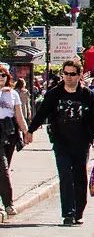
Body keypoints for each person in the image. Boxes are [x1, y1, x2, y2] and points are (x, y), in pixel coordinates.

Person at [27, 58, 94, 227]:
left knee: (79, 176)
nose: (68, 77)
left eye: (72, 74)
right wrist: (30, 130)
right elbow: (42, 112)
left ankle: (78, 212)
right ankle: (68, 213)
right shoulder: (55, 93)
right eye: (66, 74)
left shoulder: (87, 95)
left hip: (82, 142)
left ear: (79, 75)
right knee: (65, 175)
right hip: (61, 142)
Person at [1, 63, 33, 219]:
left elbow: (19, 115)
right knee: (3, 168)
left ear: (8, 77)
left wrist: (27, 131)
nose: (1, 78)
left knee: (5, 167)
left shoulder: (13, 94)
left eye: (3, 75)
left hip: (9, 132)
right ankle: (8, 203)